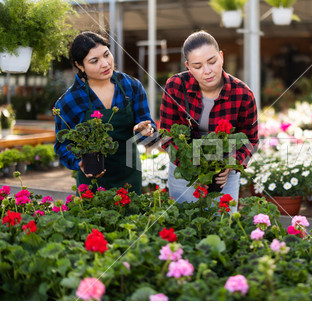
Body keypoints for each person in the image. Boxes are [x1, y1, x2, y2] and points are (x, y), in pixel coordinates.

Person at [160, 30, 259, 204]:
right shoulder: (175, 86)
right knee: (184, 224)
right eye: (197, 66)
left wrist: (231, 164)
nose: (207, 71)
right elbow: (167, 135)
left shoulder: (243, 94)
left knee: (222, 226)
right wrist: (190, 166)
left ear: (221, 57)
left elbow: (251, 140)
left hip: (223, 178)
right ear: (188, 66)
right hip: (185, 175)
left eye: (212, 61)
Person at [54, 31, 157, 194]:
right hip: (92, 182)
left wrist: (145, 130)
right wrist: (79, 162)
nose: (105, 64)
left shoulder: (131, 86)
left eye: (106, 55)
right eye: (94, 61)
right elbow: (62, 145)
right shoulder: (69, 101)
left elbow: (146, 125)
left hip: (129, 176)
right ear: (80, 66)